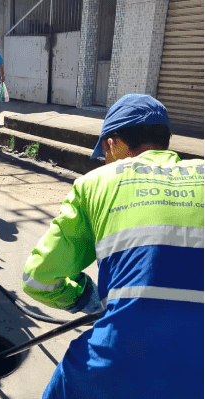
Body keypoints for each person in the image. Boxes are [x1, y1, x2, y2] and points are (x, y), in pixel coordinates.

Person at [21, 94, 204, 399]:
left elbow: (38, 278)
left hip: (119, 360)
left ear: (112, 143)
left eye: (104, 151)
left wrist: (88, 300)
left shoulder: (96, 183)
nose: (106, 160)